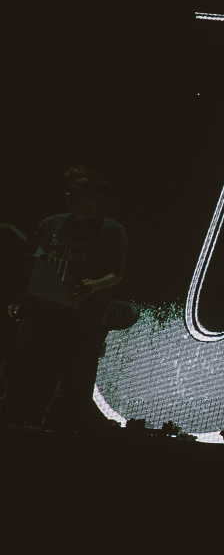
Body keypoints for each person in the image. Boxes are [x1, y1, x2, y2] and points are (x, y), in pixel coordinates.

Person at [1, 167, 128, 430]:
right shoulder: (51, 224)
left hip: (80, 317)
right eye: (68, 192)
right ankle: (22, 419)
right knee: (30, 367)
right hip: (44, 312)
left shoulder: (111, 230)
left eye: (77, 193)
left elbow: (116, 273)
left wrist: (94, 285)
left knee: (73, 379)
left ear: (93, 197)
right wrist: (20, 298)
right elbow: (32, 263)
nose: (69, 197)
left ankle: (60, 429)